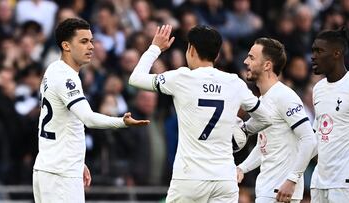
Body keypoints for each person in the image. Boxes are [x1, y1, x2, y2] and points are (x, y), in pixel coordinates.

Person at [129, 24, 272, 202]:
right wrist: (244, 130)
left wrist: (155, 48)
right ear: (217, 54)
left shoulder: (181, 78)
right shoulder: (234, 82)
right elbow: (266, 118)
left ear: (191, 49)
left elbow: (135, 78)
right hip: (225, 178)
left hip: (190, 177)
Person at [32, 18, 150, 203]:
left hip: (51, 168)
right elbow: (88, 118)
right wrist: (121, 122)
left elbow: (61, 122)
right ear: (66, 46)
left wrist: (78, 160)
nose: (92, 47)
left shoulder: (53, 69)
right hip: (61, 174)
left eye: (92, 41)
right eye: (84, 41)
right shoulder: (66, 78)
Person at [237, 37, 316, 203]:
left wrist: (292, 180)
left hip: (280, 192)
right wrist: (242, 168)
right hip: (268, 189)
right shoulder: (264, 100)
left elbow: (309, 139)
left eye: (251, 57)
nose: (245, 61)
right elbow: (265, 146)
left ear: (267, 65)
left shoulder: (284, 96)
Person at [310, 28, 349, 202]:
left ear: (337, 53)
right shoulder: (318, 89)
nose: (313, 56)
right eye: (313, 50)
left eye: (319, 51)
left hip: (346, 185)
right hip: (319, 182)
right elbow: (318, 134)